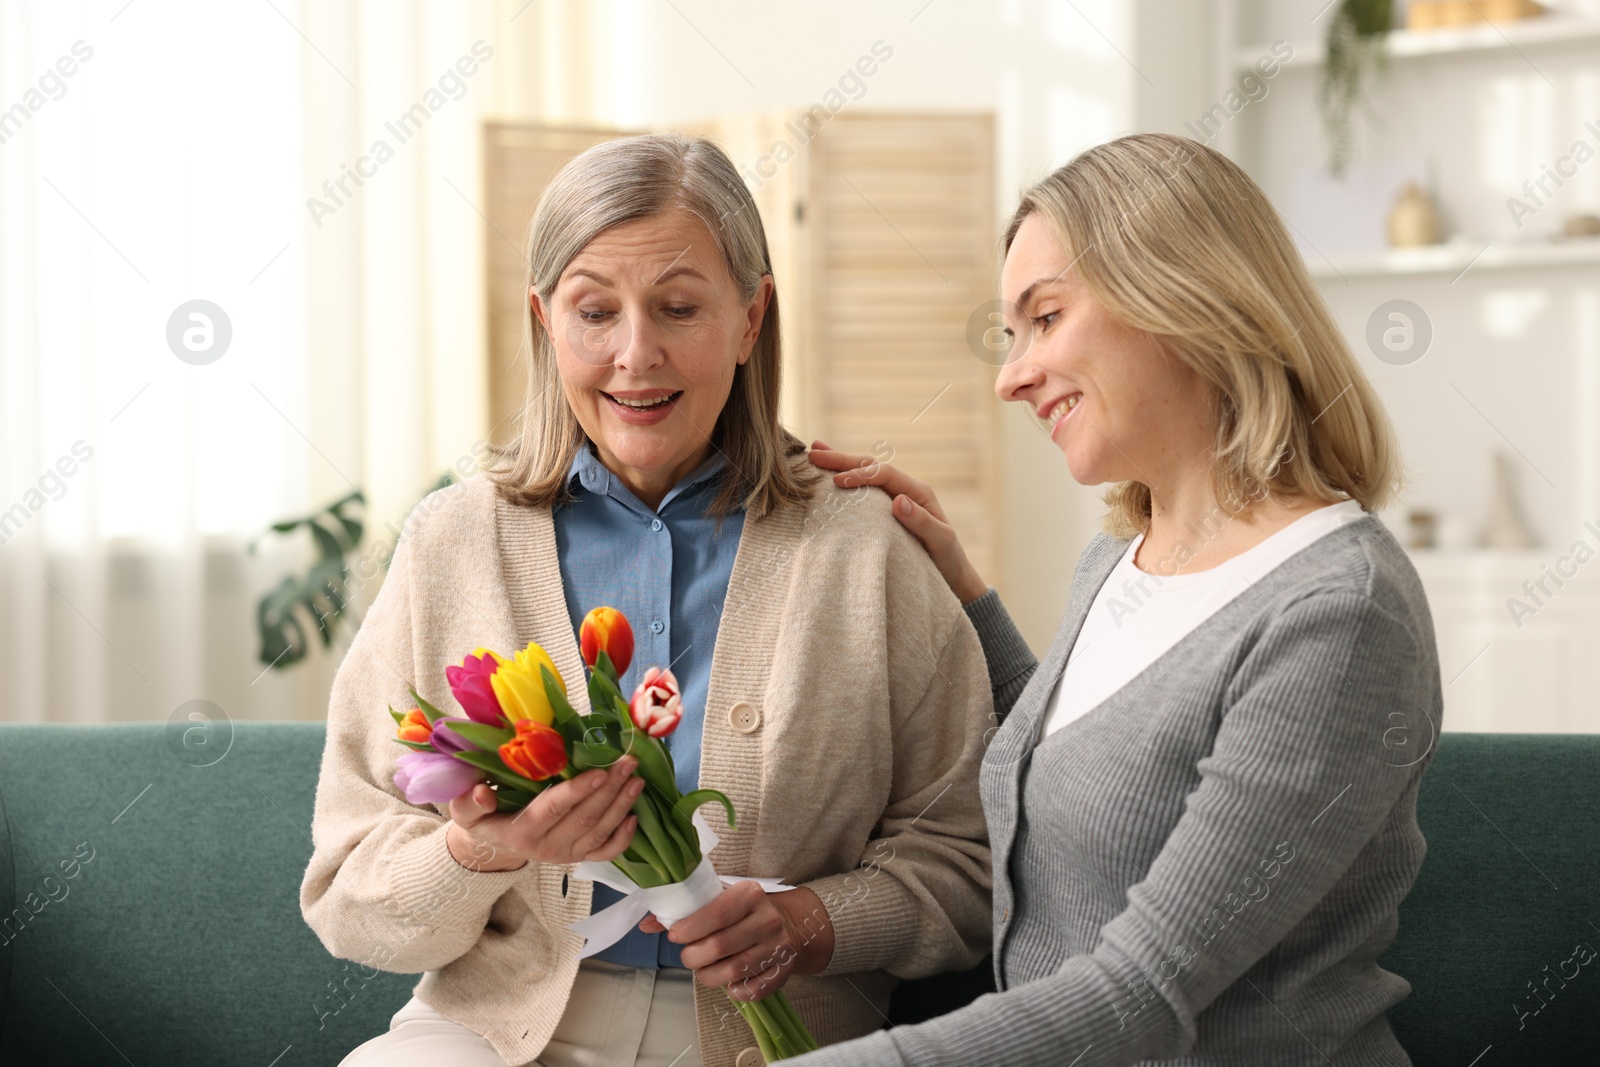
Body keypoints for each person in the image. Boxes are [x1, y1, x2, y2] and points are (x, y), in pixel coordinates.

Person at [300, 133, 994, 1067]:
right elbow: (348, 895)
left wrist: (811, 922)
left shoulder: (864, 548)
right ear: (547, 321)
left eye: (678, 307)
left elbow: (971, 863)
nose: (636, 353)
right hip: (491, 1033)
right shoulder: (451, 544)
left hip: (779, 1041)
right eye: (595, 311)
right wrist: (483, 854)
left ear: (751, 319)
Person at [797, 132, 1443, 1066]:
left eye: (1045, 318)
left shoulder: (1340, 612)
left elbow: (1142, 991)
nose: (1010, 374)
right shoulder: (1122, 557)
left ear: (1181, 292)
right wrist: (964, 586)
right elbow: (1096, 762)